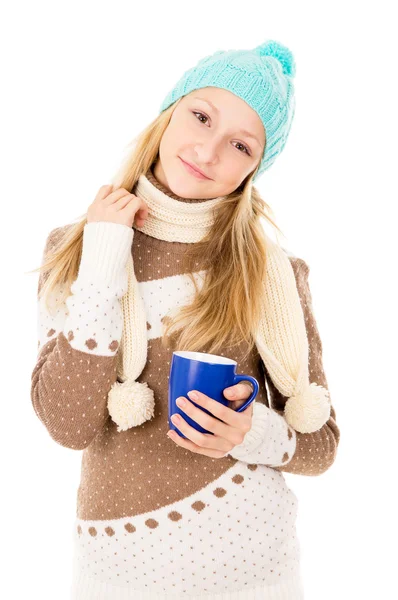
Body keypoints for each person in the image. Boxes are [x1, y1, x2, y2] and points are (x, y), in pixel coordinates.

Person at [31, 39, 340, 599]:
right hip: (116, 576)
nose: (209, 149)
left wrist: (254, 432)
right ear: (169, 113)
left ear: (254, 168)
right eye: (201, 116)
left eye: (241, 145)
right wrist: (104, 256)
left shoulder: (272, 272)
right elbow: (67, 424)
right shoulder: (77, 248)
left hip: (255, 575)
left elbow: (321, 445)